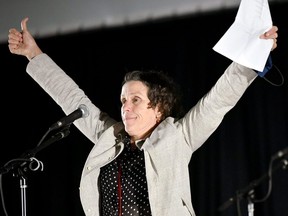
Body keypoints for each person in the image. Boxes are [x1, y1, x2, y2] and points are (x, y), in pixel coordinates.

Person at [8, 17, 278, 216]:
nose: (126, 107)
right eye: (124, 100)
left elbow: (218, 100)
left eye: (136, 100)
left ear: (158, 109)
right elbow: (73, 99)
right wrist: (33, 54)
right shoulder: (109, 137)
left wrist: (254, 54)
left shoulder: (178, 137)